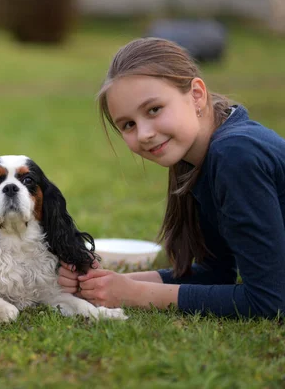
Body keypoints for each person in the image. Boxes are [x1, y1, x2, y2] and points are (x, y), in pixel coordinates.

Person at [59, 37, 285, 318]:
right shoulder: (196, 156)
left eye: (154, 109)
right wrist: (103, 284)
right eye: (128, 124)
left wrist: (135, 295)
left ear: (197, 95)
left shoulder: (236, 155)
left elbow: (269, 301)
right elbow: (215, 273)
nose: (144, 134)